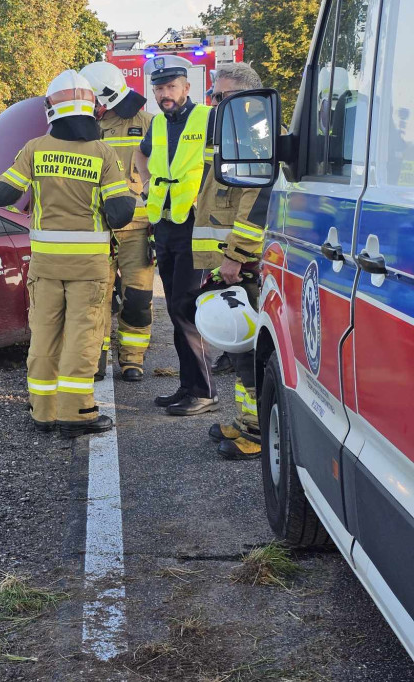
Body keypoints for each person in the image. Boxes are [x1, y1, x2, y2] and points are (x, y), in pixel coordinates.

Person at [0, 69, 135, 438]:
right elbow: (120, 213)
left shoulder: (35, 149)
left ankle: (43, 411)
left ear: (51, 109)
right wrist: (125, 193)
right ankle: (77, 413)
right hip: (89, 269)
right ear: (93, 110)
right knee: (82, 336)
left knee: (44, 335)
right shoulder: (103, 153)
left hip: (46, 266)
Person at [194, 63, 273, 459]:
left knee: (247, 348)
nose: (214, 102)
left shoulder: (256, 141)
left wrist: (236, 258)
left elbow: (254, 207)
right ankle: (247, 421)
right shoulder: (239, 135)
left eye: (222, 96)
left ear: (246, 99)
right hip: (226, 259)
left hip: (240, 264)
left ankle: (259, 433)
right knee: (240, 350)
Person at [132, 55, 216, 416]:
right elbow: (141, 153)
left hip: (195, 227)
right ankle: (187, 387)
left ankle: (205, 392)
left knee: (187, 309)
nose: (165, 93)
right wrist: (147, 183)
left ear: (186, 87)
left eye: (171, 87)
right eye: (159, 88)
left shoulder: (207, 119)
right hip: (166, 224)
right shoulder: (159, 124)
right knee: (176, 307)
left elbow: (220, 165)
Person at [80, 61, 155, 383]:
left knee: (138, 298)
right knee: (97, 298)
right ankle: (95, 357)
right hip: (95, 227)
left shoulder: (150, 123)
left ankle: (133, 358)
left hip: (138, 229)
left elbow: (166, 174)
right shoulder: (79, 126)